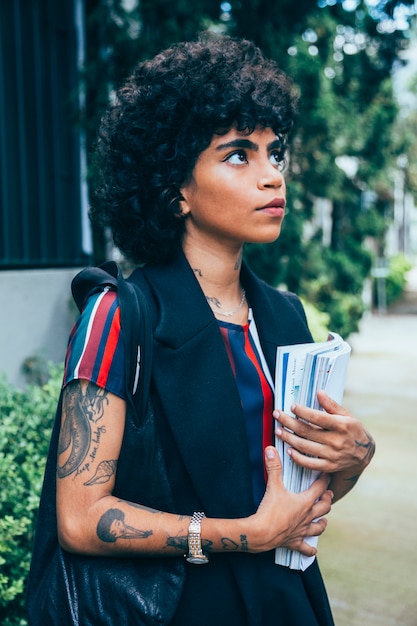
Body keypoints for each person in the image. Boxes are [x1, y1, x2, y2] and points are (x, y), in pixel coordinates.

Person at [30, 33, 375, 625]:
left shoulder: (285, 315)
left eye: (276, 152)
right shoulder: (119, 316)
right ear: (177, 188)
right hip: (178, 608)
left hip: (285, 603)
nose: (272, 176)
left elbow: (290, 503)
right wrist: (244, 534)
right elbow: (80, 519)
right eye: (239, 153)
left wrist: (351, 460)